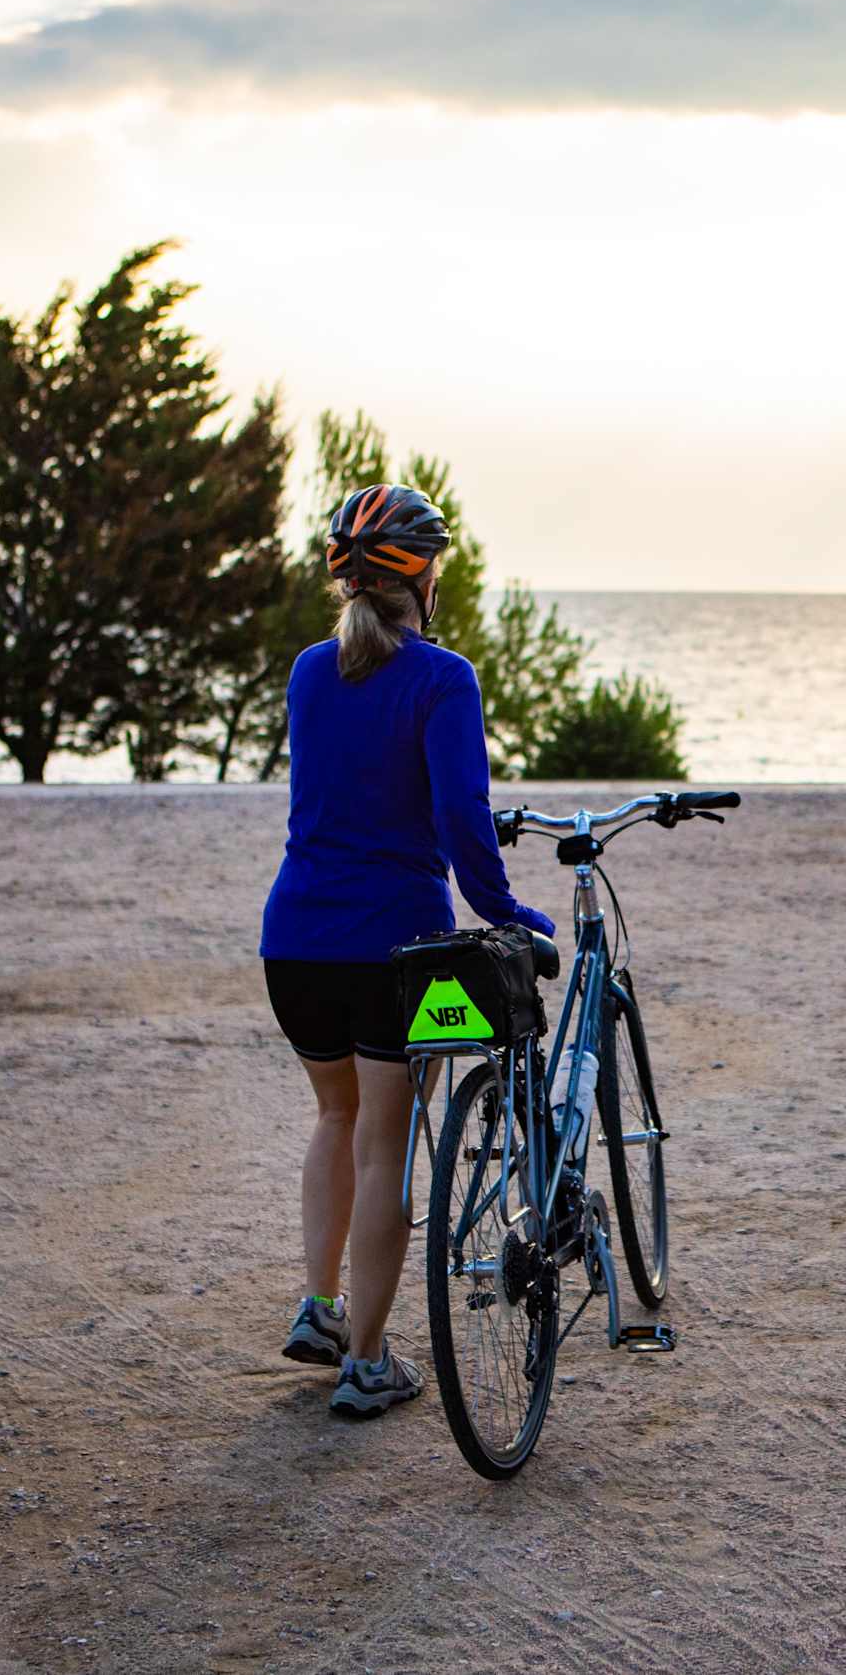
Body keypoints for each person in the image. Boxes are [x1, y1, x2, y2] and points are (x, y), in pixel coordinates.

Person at [259, 484, 556, 1418]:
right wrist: (508, 911)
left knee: (334, 1115)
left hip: (293, 944)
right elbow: (463, 819)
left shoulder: (310, 671)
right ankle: (367, 1362)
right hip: (394, 952)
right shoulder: (443, 679)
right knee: (385, 1142)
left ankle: (321, 1306)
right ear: (423, 578)